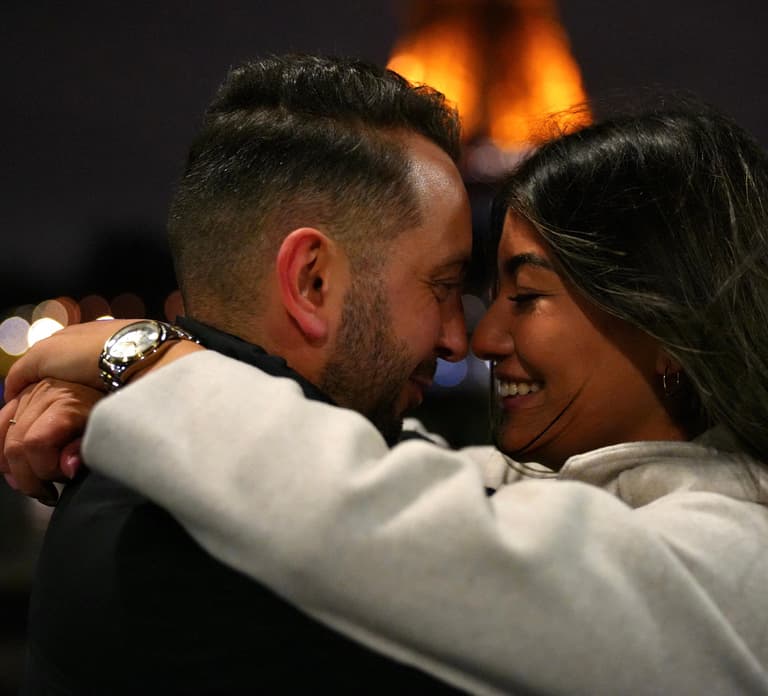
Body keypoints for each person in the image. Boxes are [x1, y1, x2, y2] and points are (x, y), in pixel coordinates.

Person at [5, 101, 768, 694]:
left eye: (526, 295)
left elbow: (373, 514)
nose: (476, 336)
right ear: (310, 280)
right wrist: (131, 395)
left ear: (672, 324)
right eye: (459, 288)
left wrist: (141, 363)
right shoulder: (620, 514)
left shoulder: (743, 565)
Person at [1, 54, 475, 694]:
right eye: (442, 287)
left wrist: (146, 360)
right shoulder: (244, 551)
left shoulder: (155, 472)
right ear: (312, 281)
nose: (458, 338)